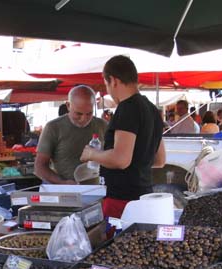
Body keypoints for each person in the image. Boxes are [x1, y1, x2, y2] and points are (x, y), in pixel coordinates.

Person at [80, 55, 166, 219]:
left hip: (121, 201)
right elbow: (159, 159)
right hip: (144, 197)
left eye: (107, 84)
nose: (109, 91)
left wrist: (92, 154)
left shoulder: (127, 108)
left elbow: (121, 159)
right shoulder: (152, 110)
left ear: (113, 80)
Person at [35, 85, 107, 184]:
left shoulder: (102, 125)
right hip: (62, 190)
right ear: (68, 105)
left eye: (89, 113)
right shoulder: (53, 127)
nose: (84, 119)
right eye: (78, 114)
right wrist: (63, 182)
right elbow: (40, 167)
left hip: (95, 189)